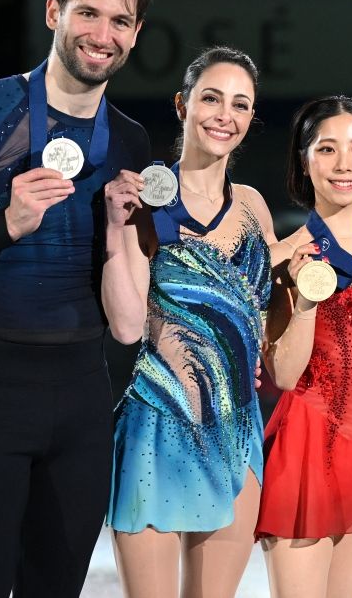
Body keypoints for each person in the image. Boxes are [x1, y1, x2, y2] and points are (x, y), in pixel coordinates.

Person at [0, 0, 153, 597]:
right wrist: (4, 225)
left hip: (81, 396)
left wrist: (120, 237)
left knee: (56, 587)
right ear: (55, 12)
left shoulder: (132, 142)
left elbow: (128, 311)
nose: (102, 35)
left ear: (137, 35)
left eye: (120, 22)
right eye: (88, 13)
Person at [103, 46, 276, 596]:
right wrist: (114, 230)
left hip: (236, 431)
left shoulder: (252, 206)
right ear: (182, 105)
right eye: (211, 98)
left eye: (240, 104)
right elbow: (128, 327)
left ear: (251, 119)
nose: (225, 114)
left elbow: (264, 315)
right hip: (159, 426)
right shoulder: (147, 199)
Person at [256, 95, 352, 598]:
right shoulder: (284, 258)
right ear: (305, 160)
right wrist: (302, 304)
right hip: (308, 449)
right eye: (327, 149)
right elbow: (282, 375)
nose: (344, 164)